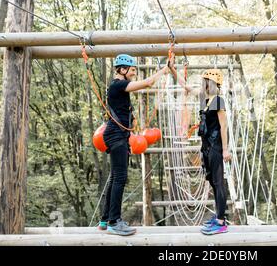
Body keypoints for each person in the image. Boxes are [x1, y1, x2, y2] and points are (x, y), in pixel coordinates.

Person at [98, 54, 169, 236]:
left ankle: (105, 220)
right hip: (117, 135)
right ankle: (114, 221)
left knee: (115, 177)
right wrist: (163, 70)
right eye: (132, 70)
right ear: (122, 70)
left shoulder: (118, 87)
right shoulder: (119, 85)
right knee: (120, 178)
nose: (134, 73)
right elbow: (148, 83)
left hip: (117, 134)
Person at [170, 66, 231, 235]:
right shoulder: (205, 98)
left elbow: (224, 126)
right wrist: (172, 70)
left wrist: (225, 150)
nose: (202, 83)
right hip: (206, 146)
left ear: (210, 83)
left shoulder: (218, 101)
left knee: (218, 182)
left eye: (204, 81)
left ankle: (220, 221)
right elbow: (186, 86)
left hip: (216, 146)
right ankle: (219, 217)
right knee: (212, 180)